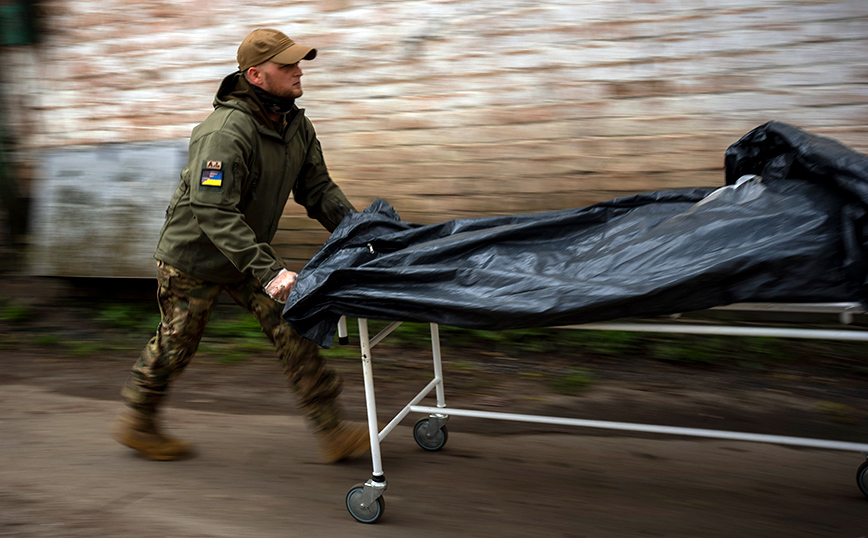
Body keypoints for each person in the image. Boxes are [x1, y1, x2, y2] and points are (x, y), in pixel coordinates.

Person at [113, 28, 369, 463]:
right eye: (286, 65)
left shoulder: (295, 125)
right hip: (193, 257)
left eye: (298, 62)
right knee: (177, 344)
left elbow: (318, 190)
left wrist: (362, 231)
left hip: (246, 255)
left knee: (294, 324)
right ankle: (138, 418)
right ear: (256, 75)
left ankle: (332, 430)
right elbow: (213, 212)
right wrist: (270, 271)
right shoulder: (224, 133)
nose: (298, 71)